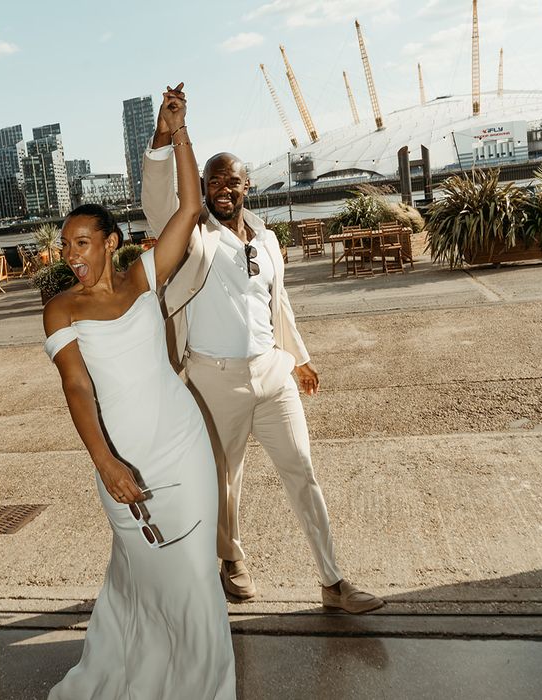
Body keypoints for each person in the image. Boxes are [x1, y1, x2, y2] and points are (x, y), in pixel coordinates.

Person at [141, 85, 384, 614]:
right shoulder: (191, 237)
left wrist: (298, 358)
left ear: (249, 186)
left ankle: (333, 581)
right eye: (213, 181)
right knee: (222, 484)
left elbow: (279, 305)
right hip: (212, 380)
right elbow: (161, 202)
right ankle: (231, 561)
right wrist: (168, 133)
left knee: (302, 470)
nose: (224, 189)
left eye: (233, 180)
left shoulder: (267, 240)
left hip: (271, 373)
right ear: (202, 188)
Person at [43, 86, 236, 700]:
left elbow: (187, 209)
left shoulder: (142, 276)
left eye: (80, 242)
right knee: (144, 574)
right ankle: (138, 669)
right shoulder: (59, 310)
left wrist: (178, 133)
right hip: (118, 456)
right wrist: (107, 463)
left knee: (197, 574)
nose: (69, 254)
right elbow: (76, 387)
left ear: (109, 241)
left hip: (180, 442)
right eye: (64, 245)